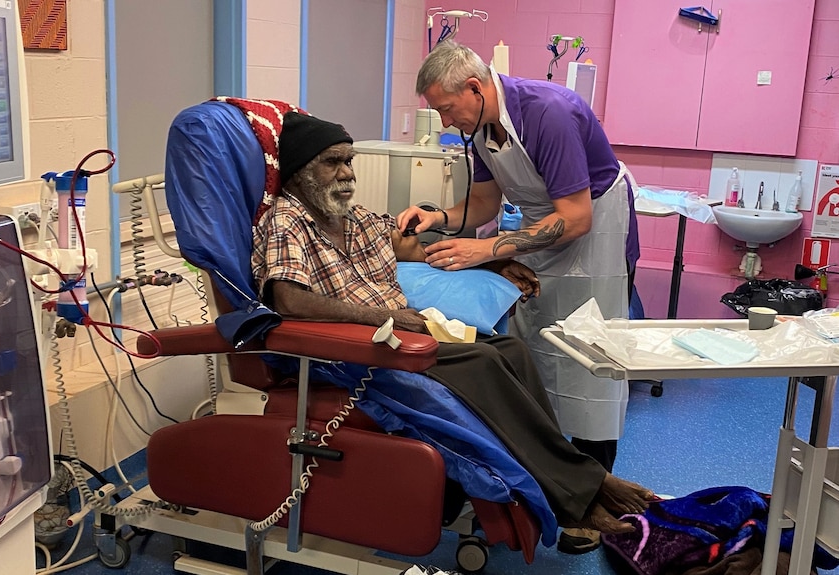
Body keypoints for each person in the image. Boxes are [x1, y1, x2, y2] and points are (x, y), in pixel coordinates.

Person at [251, 111, 654, 540]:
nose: (347, 173)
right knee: (483, 359)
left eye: (350, 161)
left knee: (511, 351)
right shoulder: (287, 220)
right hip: (352, 352)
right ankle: (581, 493)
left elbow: (419, 247)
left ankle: (578, 482)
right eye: (333, 162)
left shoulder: (352, 219)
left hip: (400, 340)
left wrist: (496, 260)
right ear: (298, 173)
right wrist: (383, 317)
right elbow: (287, 298)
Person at [396, 41, 641, 553]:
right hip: (542, 229)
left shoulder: (547, 112)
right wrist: (438, 219)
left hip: (594, 231)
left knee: (588, 361)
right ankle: (552, 483)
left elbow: (575, 217)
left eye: (445, 108)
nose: (443, 121)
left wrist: (486, 249)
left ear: (475, 87)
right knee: (533, 354)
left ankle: (593, 499)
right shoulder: (480, 128)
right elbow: (484, 202)